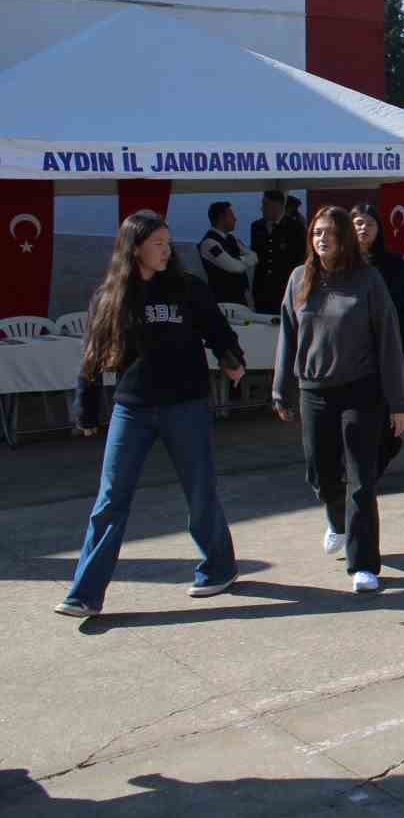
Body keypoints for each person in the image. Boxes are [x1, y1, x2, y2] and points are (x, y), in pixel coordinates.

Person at [55, 211, 246, 619]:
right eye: (158, 242)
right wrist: (86, 407)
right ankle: (85, 593)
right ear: (135, 247)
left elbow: (217, 329)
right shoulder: (111, 296)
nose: (167, 249)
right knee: (110, 500)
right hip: (133, 410)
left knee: (200, 492)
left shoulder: (188, 288)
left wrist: (232, 359)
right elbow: (92, 356)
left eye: (168, 242)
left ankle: (219, 567)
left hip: (186, 405)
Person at [272, 207, 404, 593]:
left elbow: (389, 342)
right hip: (313, 391)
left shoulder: (368, 281)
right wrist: (280, 387)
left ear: (346, 238)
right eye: (316, 233)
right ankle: (336, 519)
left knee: (361, 479)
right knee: (320, 474)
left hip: (361, 391)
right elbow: (288, 335)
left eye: (329, 233)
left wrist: (398, 403)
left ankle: (363, 564)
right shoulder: (299, 279)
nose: (321, 239)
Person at [352, 203, 404, 479]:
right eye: (357, 223)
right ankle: (358, 469)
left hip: (386, 349)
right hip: (350, 352)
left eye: (369, 223)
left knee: (383, 411)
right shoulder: (339, 264)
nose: (363, 228)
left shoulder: (393, 265)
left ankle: (379, 458)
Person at [197, 201, 258, 307]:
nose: (235, 219)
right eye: (231, 215)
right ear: (221, 218)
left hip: (241, 298)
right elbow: (235, 267)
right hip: (223, 300)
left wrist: (239, 260)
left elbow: (255, 257)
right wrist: (243, 260)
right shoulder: (209, 244)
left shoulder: (232, 238)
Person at [250, 190, 300, 315]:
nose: (262, 208)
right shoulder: (257, 226)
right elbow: (256, 254)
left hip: (285, 288)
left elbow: (299, 258)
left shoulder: (294, 227)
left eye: (266, 204)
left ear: (277, 206)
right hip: (262, 289)